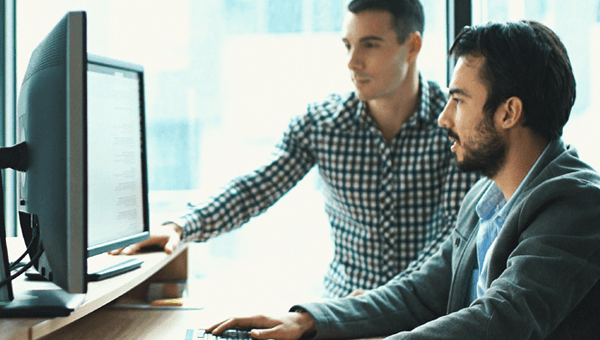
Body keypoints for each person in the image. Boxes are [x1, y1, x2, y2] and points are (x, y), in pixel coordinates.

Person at [206, 20, 600, 339]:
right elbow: (421, 292)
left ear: (508, 112)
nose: (445, 118)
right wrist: (308, 320)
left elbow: (501, 320)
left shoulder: (578, 206)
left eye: (459, 101)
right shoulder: (488, 197)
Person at [113, 0, 479, 298]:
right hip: (339, 310)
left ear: (412, 45)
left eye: (370, 44)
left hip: (422, 316)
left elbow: (449, 240)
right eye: (348, 46)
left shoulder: (453, 124)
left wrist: (380, 303)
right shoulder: (321, 124)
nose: (352, 62)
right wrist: (183, 224)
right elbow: (255, 188)